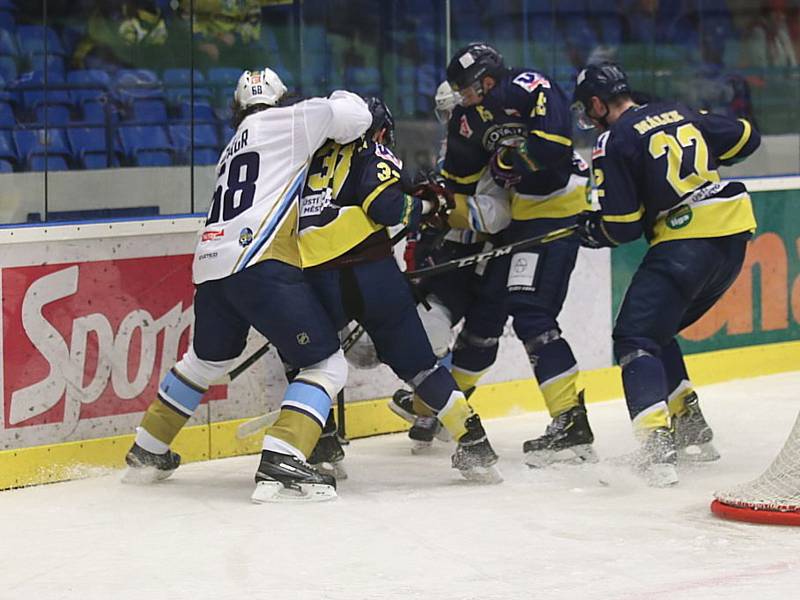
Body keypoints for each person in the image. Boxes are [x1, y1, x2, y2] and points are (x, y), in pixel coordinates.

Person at [124, 68, 374, 503]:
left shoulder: (231, 145)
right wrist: (331, 96)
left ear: (236, 109)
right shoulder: (293, 119)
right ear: (282, 98)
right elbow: (357, 116)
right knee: (326, 365)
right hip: (259, 261)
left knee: (203, 361)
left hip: (211, 264)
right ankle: (284, 454)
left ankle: (148, 449)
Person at [571, 61, 760, 486]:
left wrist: (593, 230)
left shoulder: (613, 139)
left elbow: (621, 227)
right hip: (731, 239)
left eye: (587, 107)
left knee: (634, 339)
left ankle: (656, 449)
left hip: (685, 241)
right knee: (658, 330)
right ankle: (690, 423)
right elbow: (747, 137)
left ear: (598, 103)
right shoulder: (679, 111)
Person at [296, 97, 502, 483]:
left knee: (312, 364)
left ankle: (322, 448)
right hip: (370, 273)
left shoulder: (308, 159)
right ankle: (474, 444)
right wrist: (424, 207)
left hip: (317, 277)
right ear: (377, 129)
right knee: (421, 365)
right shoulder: (372, 149)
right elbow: (388, 208)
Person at [441, 42, 597, 468]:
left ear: (486, 80)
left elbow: (554, 145)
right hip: (522, 219)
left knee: (531, 312)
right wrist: (433, 204)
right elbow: (458, 180)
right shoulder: (467, 118)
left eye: (465, 88)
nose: (460, 96)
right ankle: (441, 407)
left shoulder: (529, 87)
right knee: (485, 312)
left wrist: (514, 159)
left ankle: (571, 423)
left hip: (559, 211)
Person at [389, 80, 512, 453]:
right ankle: (433, 408)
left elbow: (499, 214)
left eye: (453, 112)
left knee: (481, 346)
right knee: (430, 330)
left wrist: (443, 209)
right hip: (454, 259)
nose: (450, 121)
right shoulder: (450, 149)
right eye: (445, 115)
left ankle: (433, 409)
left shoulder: (495, 146)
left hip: (494, 259)